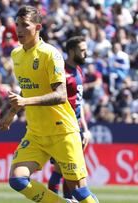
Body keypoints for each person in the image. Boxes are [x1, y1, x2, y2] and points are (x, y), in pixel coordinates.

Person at [0, 6, 98, 203]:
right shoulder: (17, 55)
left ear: (37, 27)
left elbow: (60, 95)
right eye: (17, 25)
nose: (19, 30)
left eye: (25, 25)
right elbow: (27, 89)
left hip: (62, 132)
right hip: (36, 132)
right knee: (17, 179)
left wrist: (25, 102)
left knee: (79, 191)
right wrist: (11, 113)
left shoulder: (50, 54)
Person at [47, 36, 92, 199]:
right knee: (62, 169)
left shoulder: (79, 70)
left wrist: (85, 130)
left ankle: (69, 200)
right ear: (71, 51)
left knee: (71, 172)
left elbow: (79, 103)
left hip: (77, 128)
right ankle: (51, 200)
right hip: (64, 128)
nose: (86, 53)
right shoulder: (61, 73)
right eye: (82, 50)